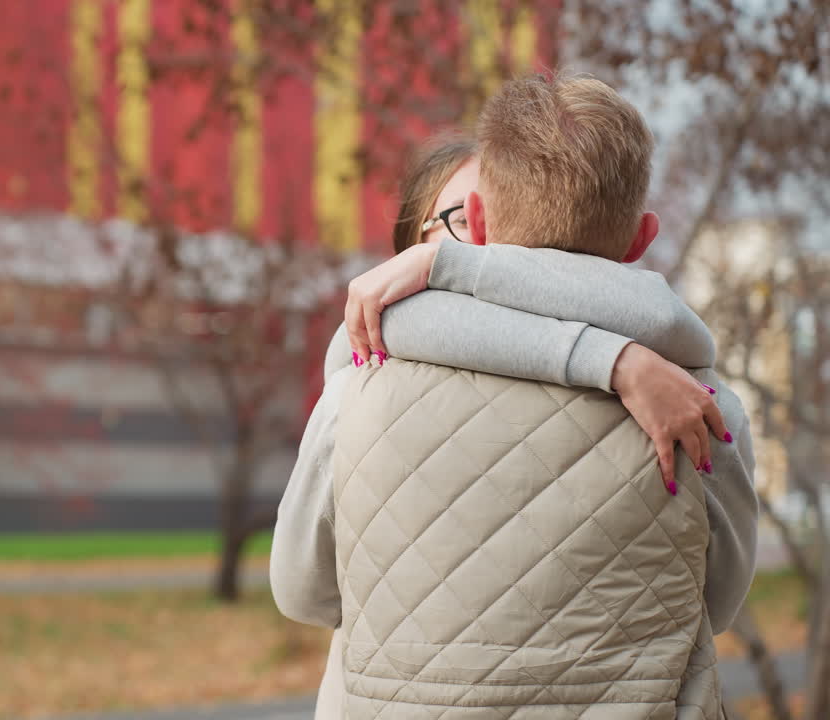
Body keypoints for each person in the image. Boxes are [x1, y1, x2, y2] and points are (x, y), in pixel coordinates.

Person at [271, 74, 758, 719]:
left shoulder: (357, 394)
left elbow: (301, 592)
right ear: (642, 238)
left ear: (479, 225)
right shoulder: (699, 406)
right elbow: (716, 603)